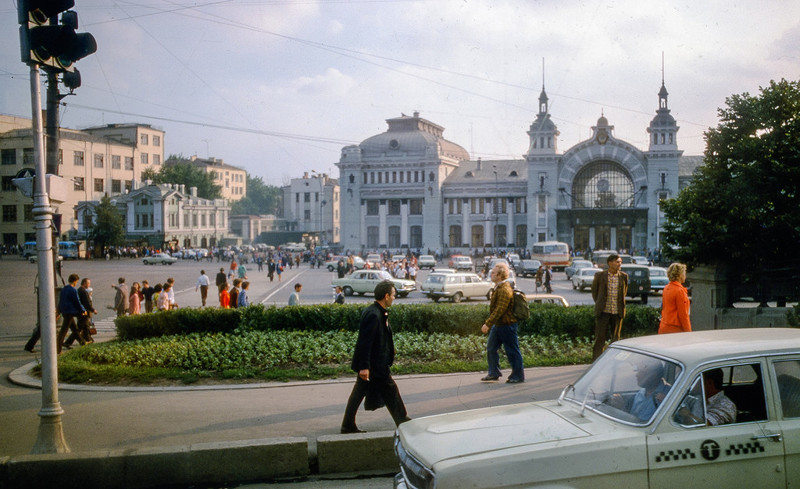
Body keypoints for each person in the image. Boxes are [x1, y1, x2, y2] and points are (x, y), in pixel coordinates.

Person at [341, 280, 411, 433]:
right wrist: (364, 367)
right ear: (386, 296)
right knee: (389, 390)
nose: (394, 298)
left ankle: (348, 424)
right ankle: (402, 420)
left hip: (376, 364)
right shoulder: (374, 314)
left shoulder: (378, 311)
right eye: (393, 295)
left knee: (363, 392)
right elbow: (365, 343)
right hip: (375, 365)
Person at [480, 262, 525, 384]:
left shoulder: (504, 289)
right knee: (491, 348)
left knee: (512, 350)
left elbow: (500, 309)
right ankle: (493, 372)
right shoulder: (499, 287)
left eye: (493, 272)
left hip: (507, 326)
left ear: (500, 275)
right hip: (499, 325)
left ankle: (518, 375)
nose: (491, 274)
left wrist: (487, 323)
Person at [591, 254, 628, 361]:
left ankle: (613, 361)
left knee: (616, 339)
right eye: (617, 262)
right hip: (603, 312)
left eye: (620, 262)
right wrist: (600, 304)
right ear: (610, 263)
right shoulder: (600, 276)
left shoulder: (623, 276)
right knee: (600, 338)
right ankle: (596, 361)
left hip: (617, 312)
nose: (619, 264)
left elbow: (623, 293)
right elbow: (595, 293)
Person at [658, 263, 691, 334]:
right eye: (684, 273)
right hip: (675, 330)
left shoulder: (666, 288)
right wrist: (688, 332)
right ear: (680, 275)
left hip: (663, 327)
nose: (685, 276)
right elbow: (683, 315)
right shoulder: (680, 291)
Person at [57, 274, 85, 354]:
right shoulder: (73, 290)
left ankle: (82, 342)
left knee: (74, 329)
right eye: (77, 281)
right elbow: (77, 302)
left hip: (65, 311)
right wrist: (83, 310)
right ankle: (58, 349)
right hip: (70, 312)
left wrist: (59, 311)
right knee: (63, 331)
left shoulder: (64, 289)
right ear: (75, 281)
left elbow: (60, 301)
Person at [65, 277, 96, 348]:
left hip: (81, 312)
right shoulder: (83, 292)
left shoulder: (79, 290)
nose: (89, 284)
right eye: (88, 283)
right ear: (84, 283)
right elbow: (86, 303)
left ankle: (87, 340)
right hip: (83, 313)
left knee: (85, 327)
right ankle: (68, 342)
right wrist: (93, 310)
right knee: (79, 328)